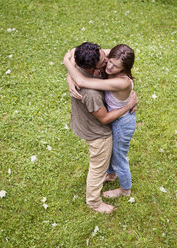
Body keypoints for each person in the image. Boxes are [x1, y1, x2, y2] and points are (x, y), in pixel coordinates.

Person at [63, 42, 138, 214]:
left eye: (109, 60)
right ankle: (98, 195)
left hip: (121, 122)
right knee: (105, 161)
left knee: (118, 156)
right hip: (104, 126)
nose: (107, 64)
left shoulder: (104, 69)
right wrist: (68, 71)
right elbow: (104, 118)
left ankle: (122, 186)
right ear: (89, 67)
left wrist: (68, 65)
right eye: (105, 62)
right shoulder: (90, 91)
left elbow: (77, 56)